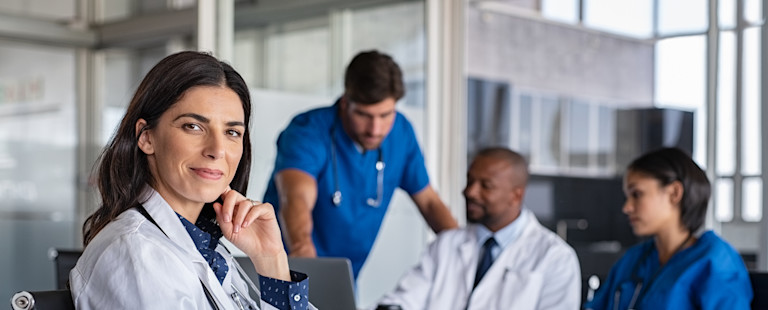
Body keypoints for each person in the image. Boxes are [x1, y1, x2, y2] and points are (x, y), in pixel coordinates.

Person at [70, 51, 315, 310]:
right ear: (146, 137)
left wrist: (272, 260)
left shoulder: (207, 249)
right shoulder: (135, 254)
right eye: (193, 127)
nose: (217, 149)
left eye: (232, 132)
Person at [262, 50, 457, 279]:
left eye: (385, 115)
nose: (376, 129)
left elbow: (430, 203)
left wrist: (467, 253)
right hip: (288, 269)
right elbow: (295, 198)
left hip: (344, 276)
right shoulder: (308, 130)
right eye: (364, 115)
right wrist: (303, 252)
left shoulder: (402, 133)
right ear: (345, 102)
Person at [375, 147, 581, 310]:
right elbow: (405, 300)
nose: (470, 192)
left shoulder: (555, 258)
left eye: (486, 186)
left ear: (516, 195)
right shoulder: (446, 244)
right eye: (470, 180)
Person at [584, 147, 752, 309]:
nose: (626, 207)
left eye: (636, 194)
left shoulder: (716, 263)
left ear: (674, 193)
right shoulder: (633, 260)